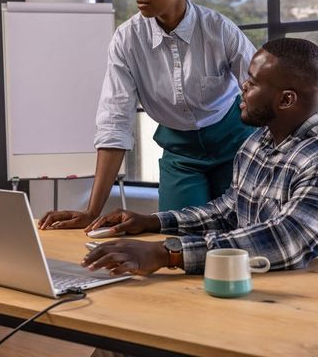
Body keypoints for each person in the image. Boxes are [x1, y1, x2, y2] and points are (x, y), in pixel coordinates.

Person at [38, 0, 255, 231]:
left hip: (235, 144)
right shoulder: (127, 40)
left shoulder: (219, 30)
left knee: (245, 232)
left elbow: (261, 91)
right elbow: (115, 122)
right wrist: (91, 211)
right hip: (181, 155)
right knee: (176, 238)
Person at [81, 38, 318, 276]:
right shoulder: (256, 143)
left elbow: (286, 239)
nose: (242, 87)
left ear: (286, 100)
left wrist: (167, 253)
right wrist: (151, 221)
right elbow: (228, 211)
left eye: (253, 83)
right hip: (253, 287)